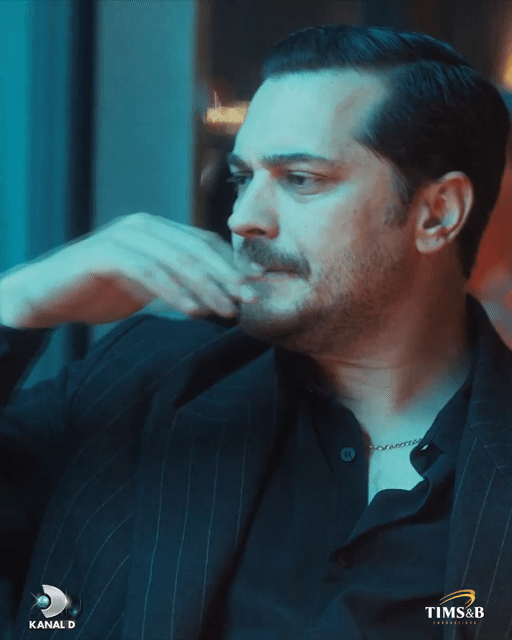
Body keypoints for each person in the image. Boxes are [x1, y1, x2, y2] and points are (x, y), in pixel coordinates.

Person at [1, 23, 511, 640]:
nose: (244, 218)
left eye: (300, 179)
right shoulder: (143, 380)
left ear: (437, 213)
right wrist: (17, 302)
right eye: (243, 178)